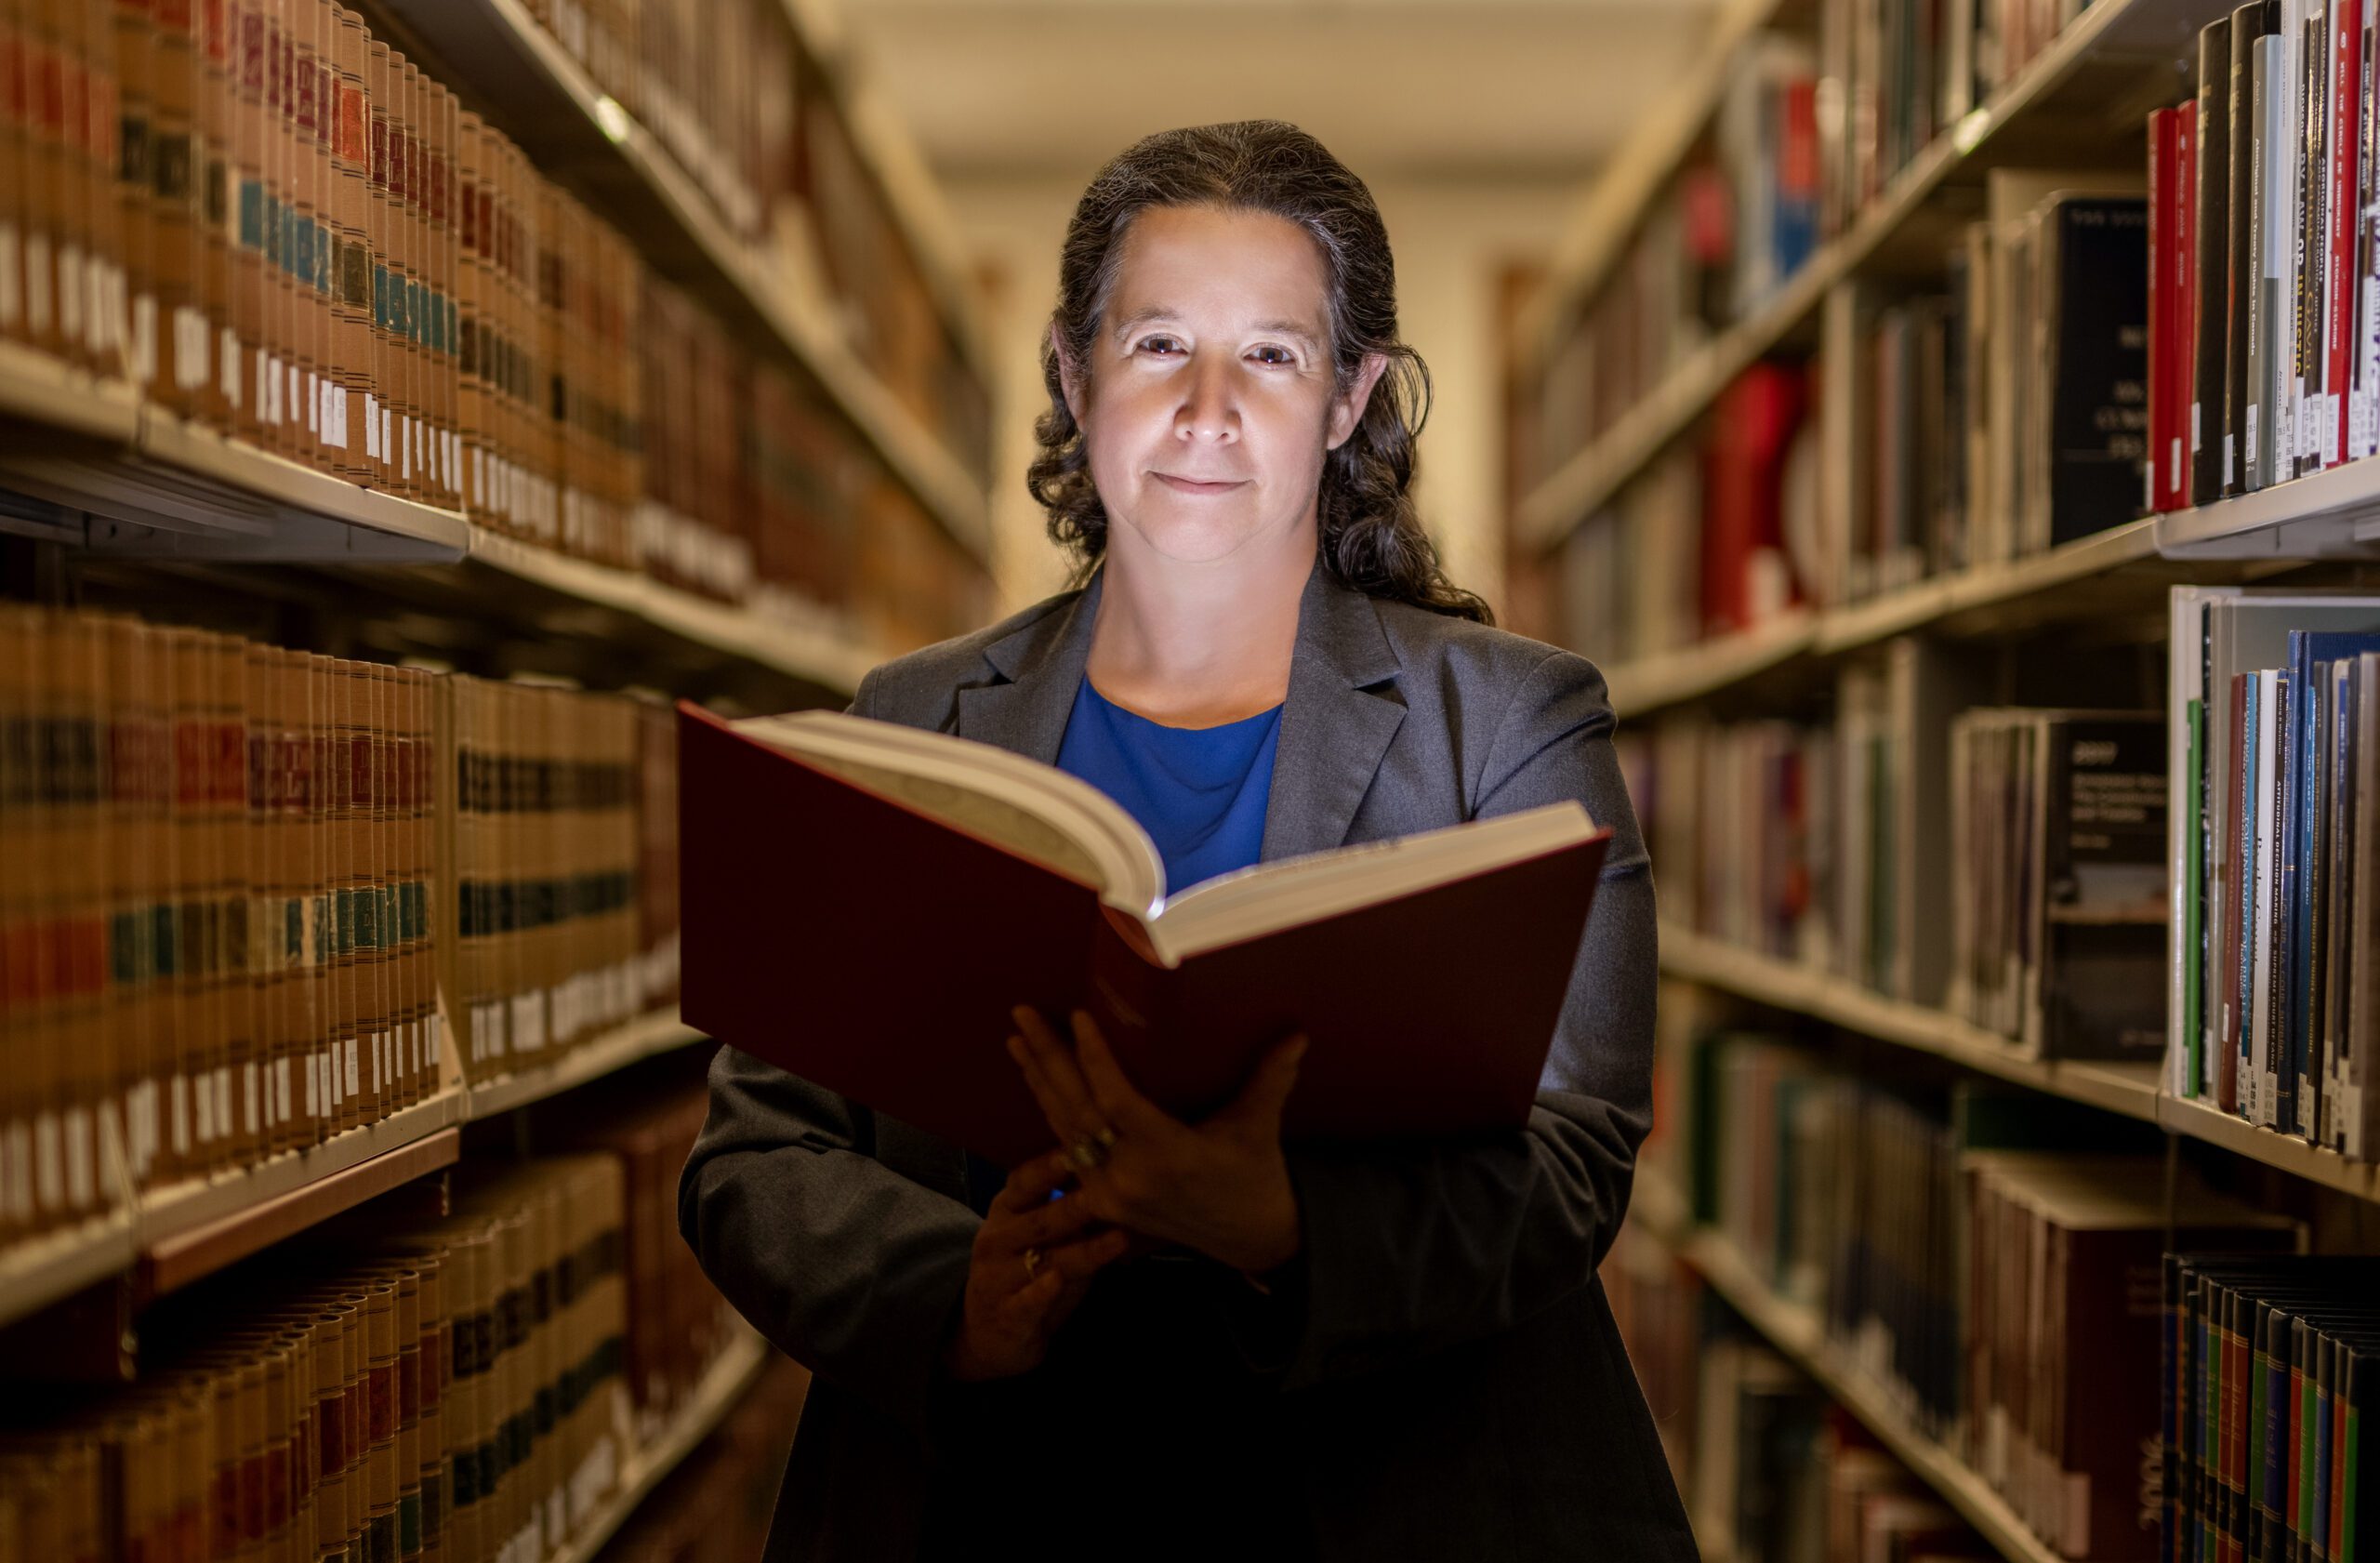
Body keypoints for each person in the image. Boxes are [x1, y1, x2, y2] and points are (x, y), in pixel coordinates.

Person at [678, 119, 1695, 1562]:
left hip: (1397, 1490)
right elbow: (755, 1147)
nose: (1208, 409)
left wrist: (1285, 1222)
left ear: (1349, 397)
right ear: (1069, 371)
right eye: (1157, 344)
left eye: (1271, 356)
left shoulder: (1515, 720)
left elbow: (1578, 1147)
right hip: (998, 1493)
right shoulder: (910, 719)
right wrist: (947, 1296)